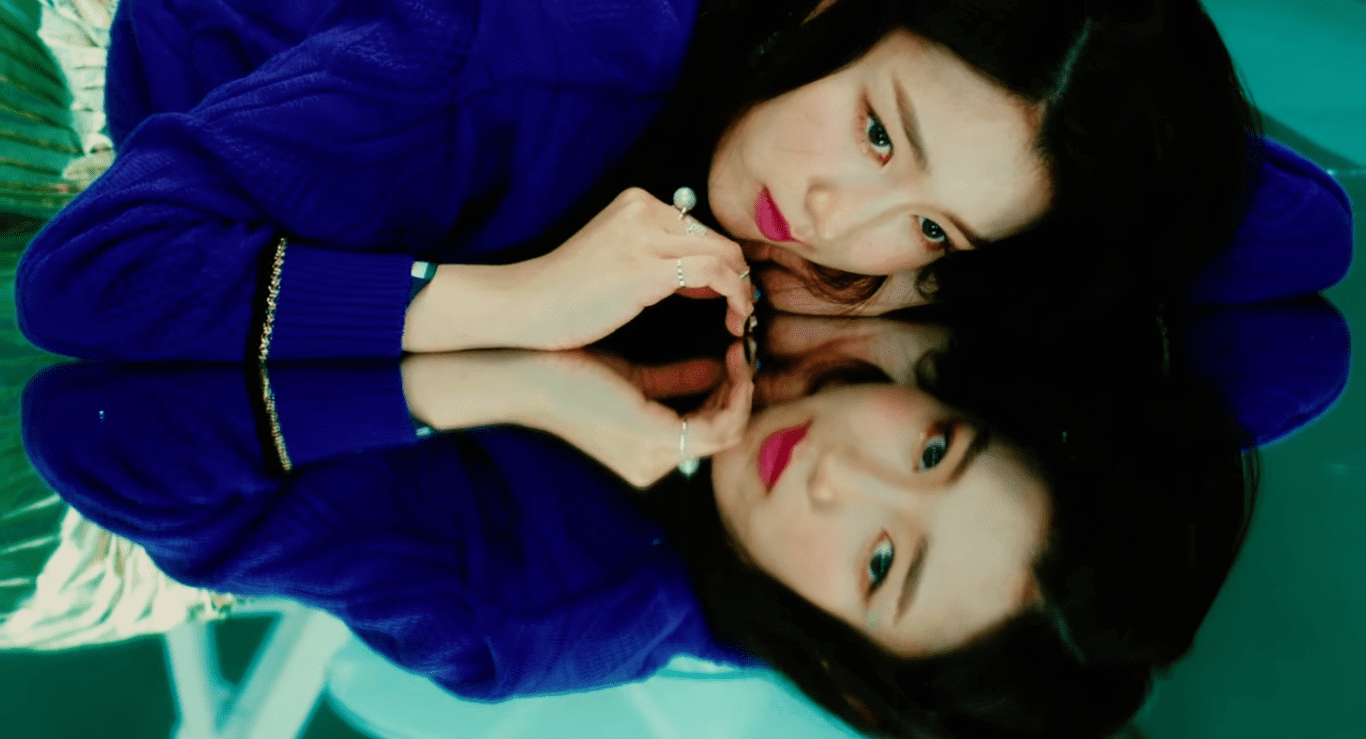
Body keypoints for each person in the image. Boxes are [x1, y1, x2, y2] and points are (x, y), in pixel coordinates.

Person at [17, 301, 1258, 739]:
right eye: (932, 449)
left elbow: (126, 442)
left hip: (90, 493)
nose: (842, 477)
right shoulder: (799, 299)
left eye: (883, 564)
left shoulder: (539, 605)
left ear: (847, 659)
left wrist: (484, 369)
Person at [17, 0, 1304, 366]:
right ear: (831, 12)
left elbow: (1301, 230)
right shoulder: (535, 58)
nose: (835, 223)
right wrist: (514, 304)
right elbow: (94, 279)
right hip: (76, 81)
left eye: (930, 226)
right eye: (874, 133)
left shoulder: (837, 152)